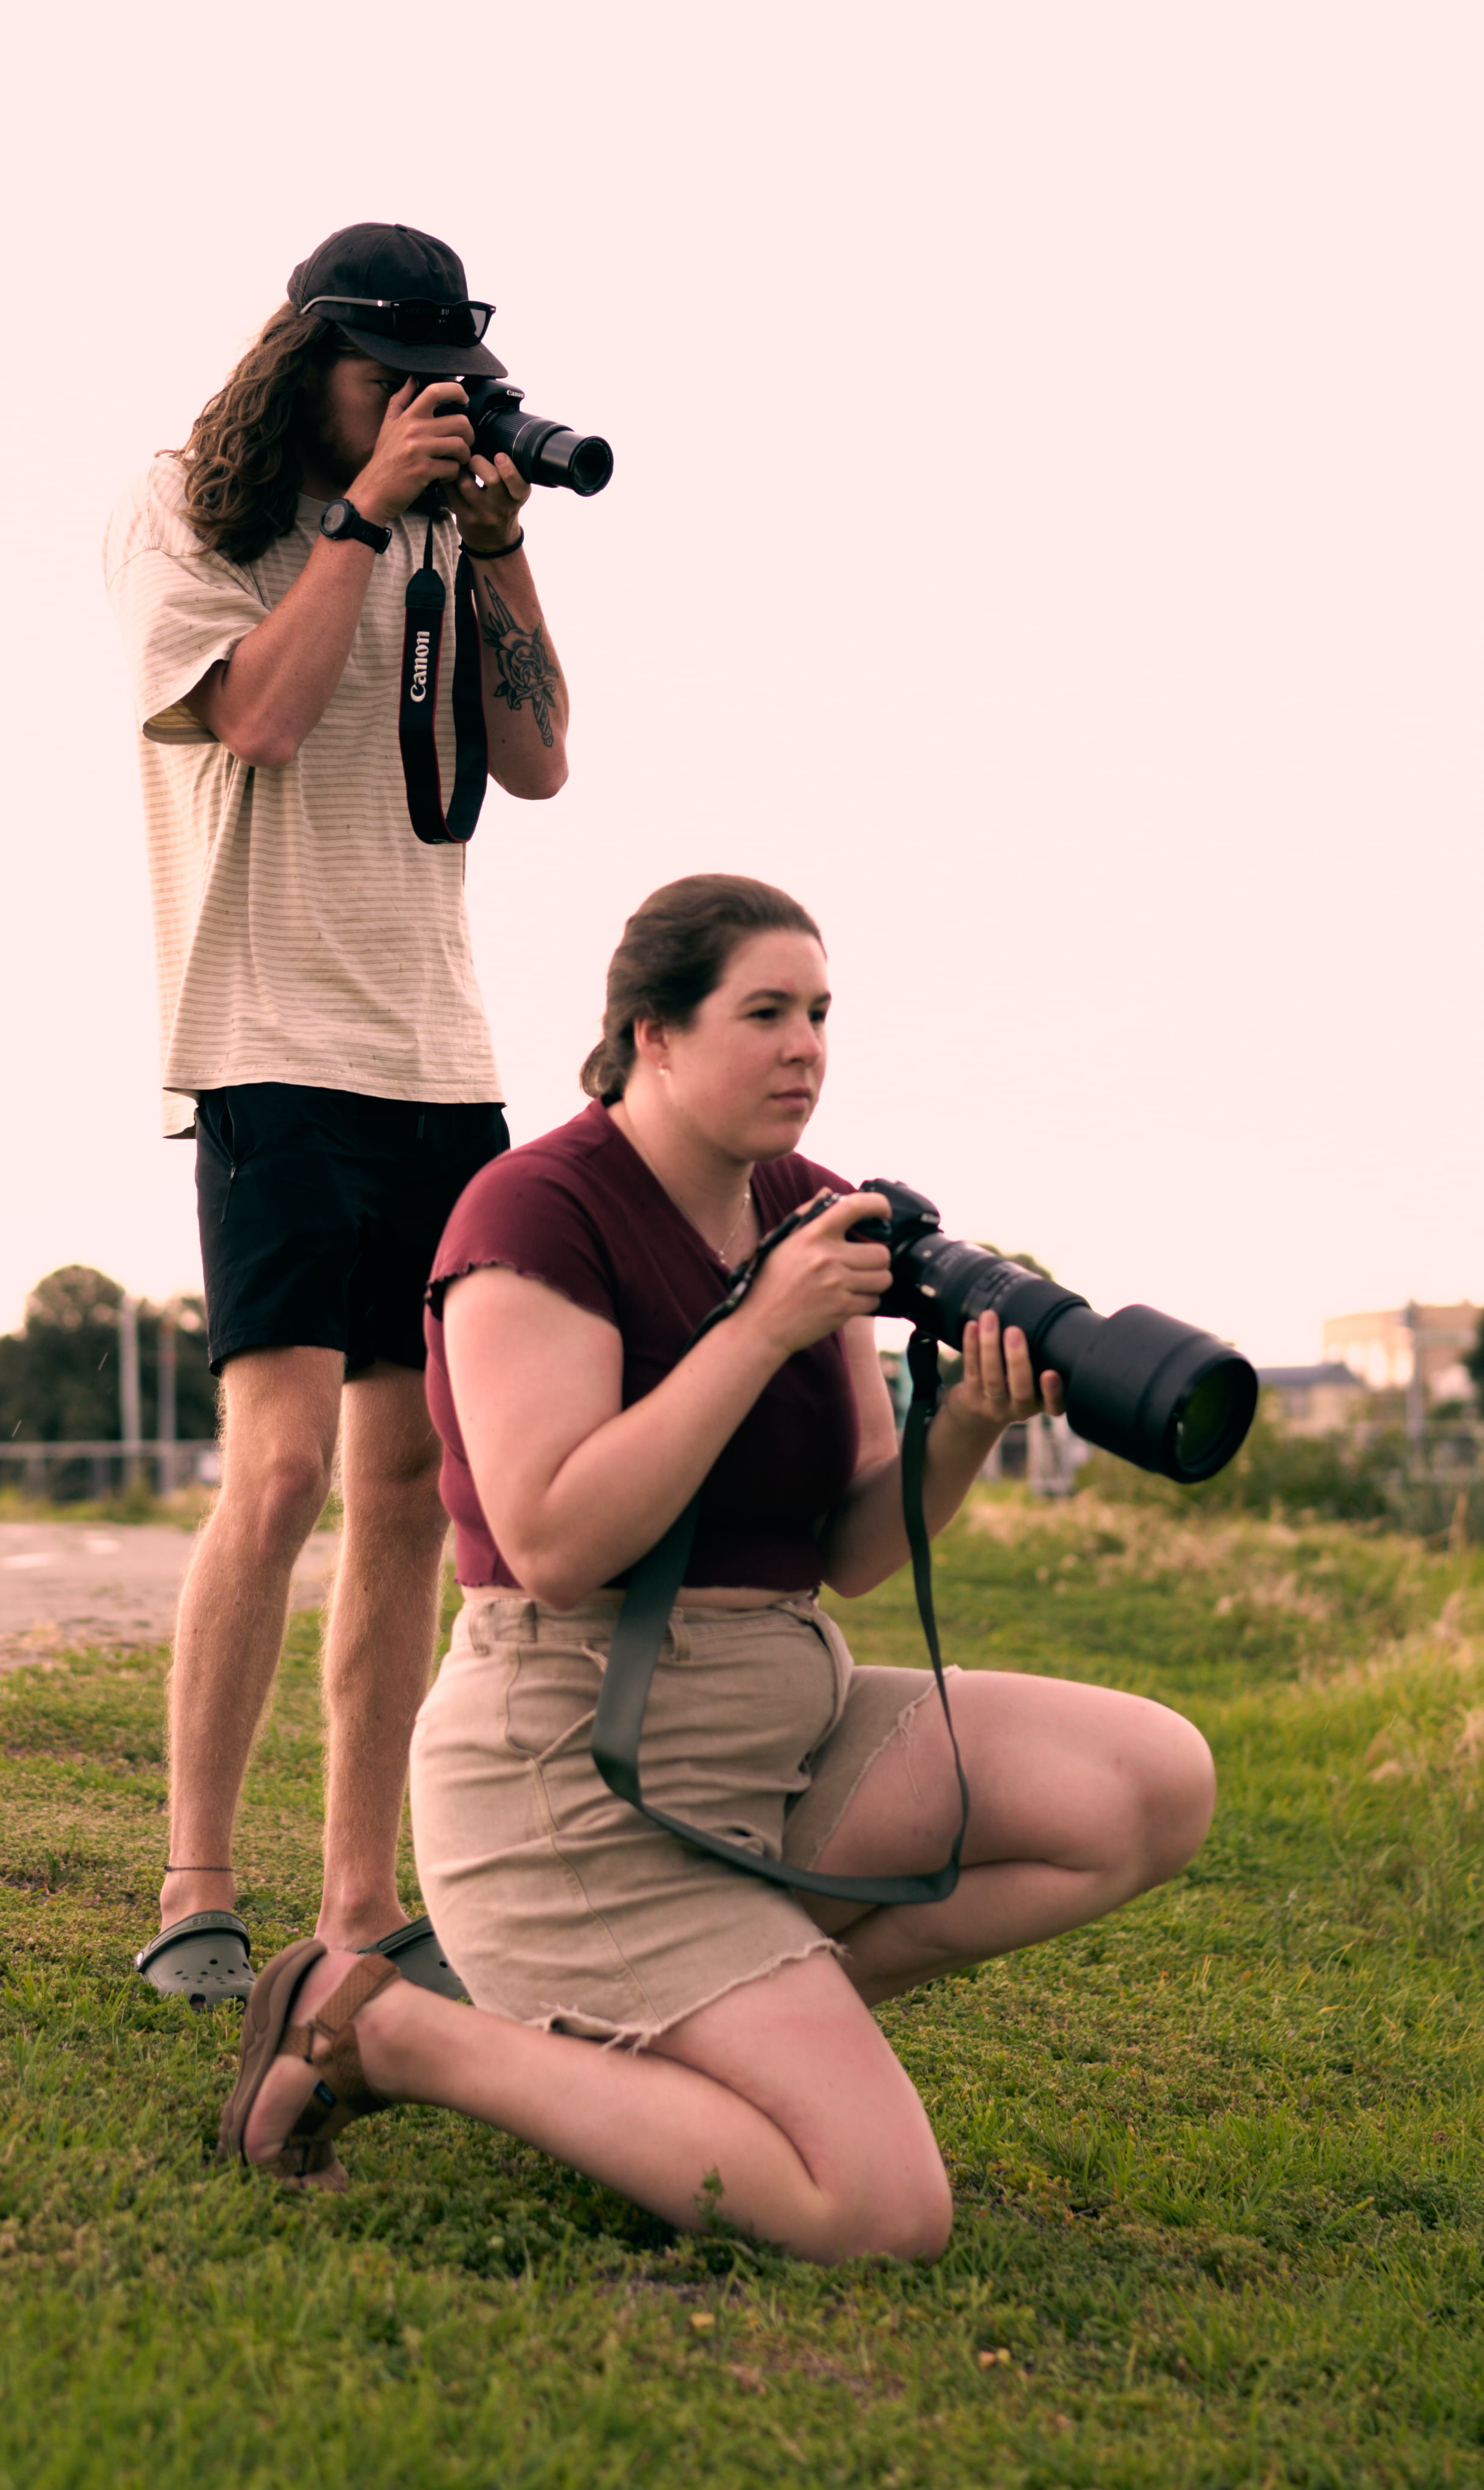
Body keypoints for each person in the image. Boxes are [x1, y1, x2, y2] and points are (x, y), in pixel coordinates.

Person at [216, 876, 1216, 2262]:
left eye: (820, 1014)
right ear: (654, 1036)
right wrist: (755, 1330)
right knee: (881, 2214)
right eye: (765, 1014)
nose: (807, 1047)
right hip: (574, 1778)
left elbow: (853, 1553)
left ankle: (697, 2052)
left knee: (1150, 1783)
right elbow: (554, 1544)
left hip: (779, 1737)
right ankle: (387, 2032)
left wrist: (968, 1427)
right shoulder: (535, 1213)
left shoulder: (813, 1209)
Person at [104, 224, 571, 2002]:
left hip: (439, 1056)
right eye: (391, 381)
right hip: (268, 1040)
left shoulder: (446, 532)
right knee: (284, 1467)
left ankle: (362, 1906)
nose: (420, 411)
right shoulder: (189, 510)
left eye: (445, 386)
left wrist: (499, 545)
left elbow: (538, 760)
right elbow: (262, 720)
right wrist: (366, 517)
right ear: (310, 364)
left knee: (406, 1488)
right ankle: (196, 1892)